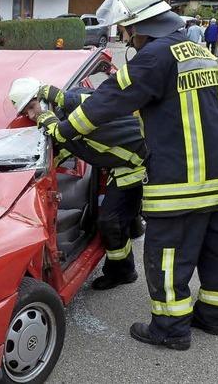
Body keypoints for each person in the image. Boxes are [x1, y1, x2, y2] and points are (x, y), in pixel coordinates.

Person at [36, 0, 218, 350]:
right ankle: (213, 317)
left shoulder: (155, 56)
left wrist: (58, 129)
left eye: (125, 31)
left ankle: (170, 330)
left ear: (136, 26)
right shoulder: (197, 51)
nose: (126, 39)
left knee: (168, 254)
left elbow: (106, 102)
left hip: (180, 181)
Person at [9, 77, 147, 290]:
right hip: (120, 165)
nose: (31, 115)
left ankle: (122, 272)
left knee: (111, 222)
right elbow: (61, 152)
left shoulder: (79, 109)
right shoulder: (64, 111)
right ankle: (123, 265)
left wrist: (53, 122)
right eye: (25, 112)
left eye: (32, 107)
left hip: (136, 165)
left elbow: (77, 120)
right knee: (115, 221)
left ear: (44, 100)